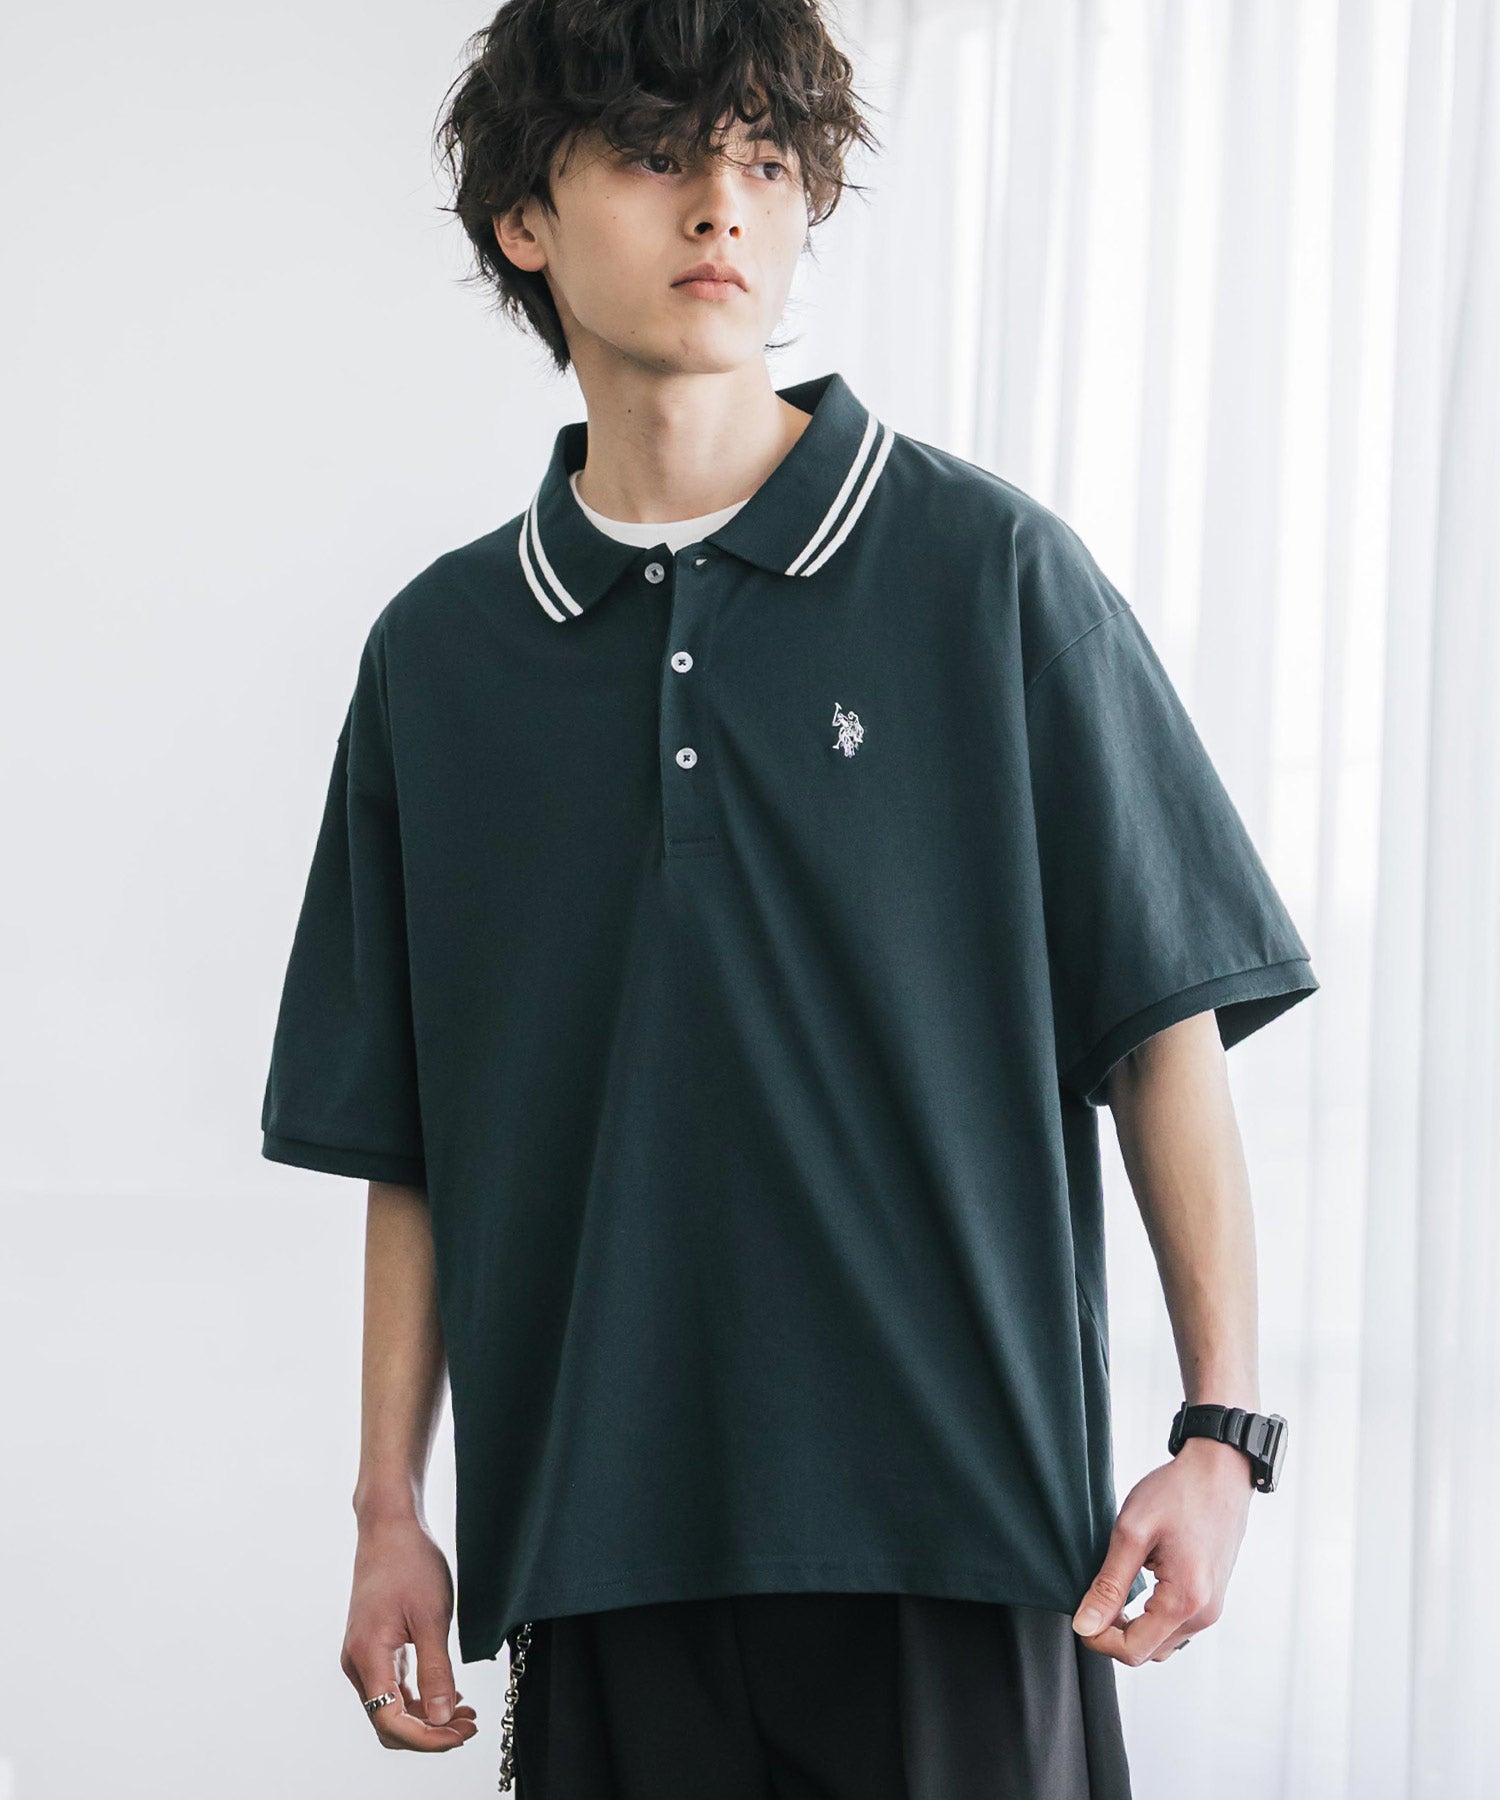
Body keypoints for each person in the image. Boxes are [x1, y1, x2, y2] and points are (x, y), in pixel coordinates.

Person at [259, 2, 1320, 1794]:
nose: (721, 208)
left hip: (965, 1544)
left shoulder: (991, 577)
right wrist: (387, 1509)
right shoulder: (439, 661)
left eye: (764, 160)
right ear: (524, 218)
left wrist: (1222, 1432)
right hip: (598, 1553)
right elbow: (413, 1137)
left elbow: (1165, 1026)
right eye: (654, 155)